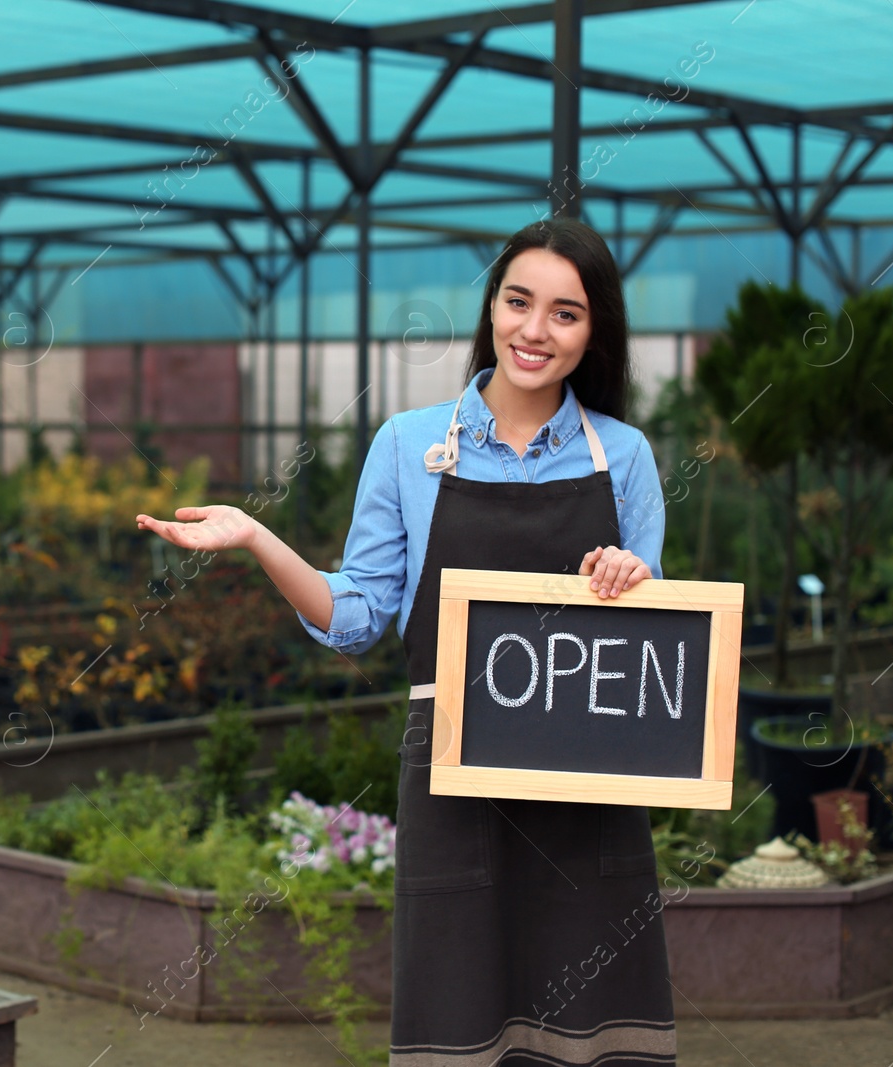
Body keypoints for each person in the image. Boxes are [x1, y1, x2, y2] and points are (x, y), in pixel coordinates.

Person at [136, 217, 675, 1066]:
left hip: (589, 790)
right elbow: (355, 619)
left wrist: (630, 581)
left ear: (595, 329)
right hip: (456, 782)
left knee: (592, 1037)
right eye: (518, 301)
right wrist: (256, 539)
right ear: (492, 307)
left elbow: (650, 644)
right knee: (456, 1024)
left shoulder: (628, 459)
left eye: (565, 313)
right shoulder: (407, 446)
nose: (535, 330)